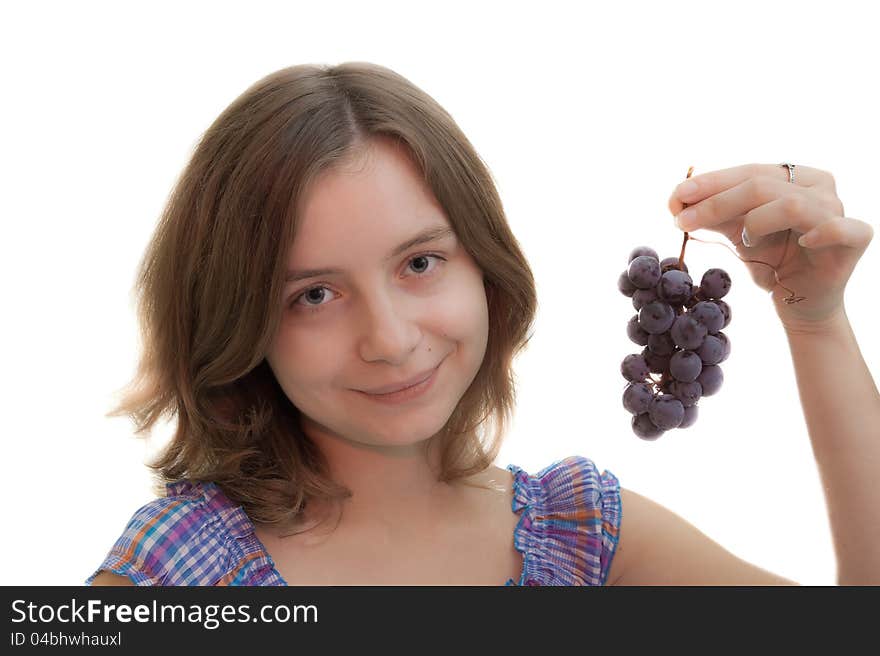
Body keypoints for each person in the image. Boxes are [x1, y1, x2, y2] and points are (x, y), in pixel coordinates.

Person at [87, 62, 878, 587]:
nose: (391, 339)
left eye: (420, 263)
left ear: (486, 267)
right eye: (314, 296)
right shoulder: (180, 569)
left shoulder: (585, 536)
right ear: (238, 321)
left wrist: (816, 325)